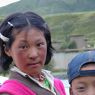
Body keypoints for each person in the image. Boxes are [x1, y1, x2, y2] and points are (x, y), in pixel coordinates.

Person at [0, 12, 66, 95]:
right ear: (7, 50)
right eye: (23, 47)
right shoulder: (10, 92)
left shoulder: (57, 84)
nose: (33, 54)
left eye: (39, 44)